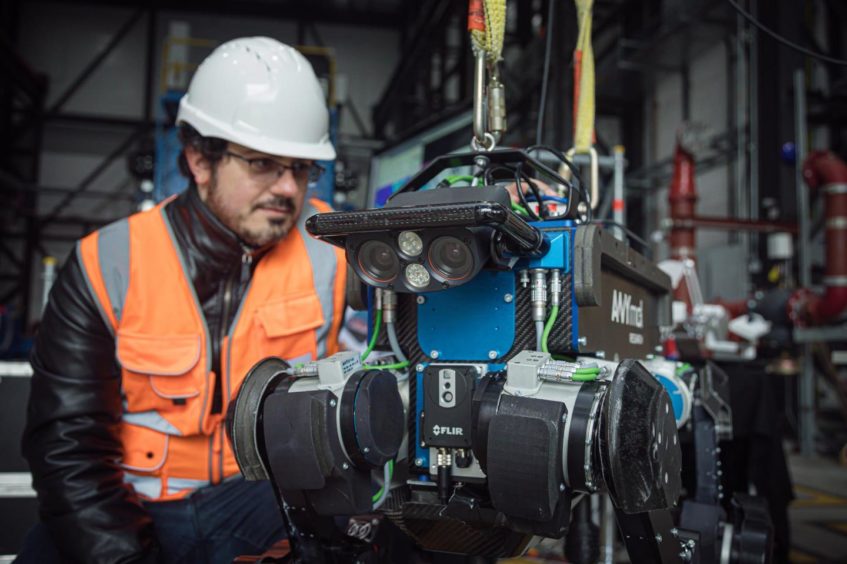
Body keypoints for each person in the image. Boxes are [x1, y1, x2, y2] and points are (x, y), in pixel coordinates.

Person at [18, 37, 346, 564]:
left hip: (261, 502)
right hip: (130, 507)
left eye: (303, 168)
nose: (288, 188)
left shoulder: (333, 249)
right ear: (199, 159)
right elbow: (68, 448)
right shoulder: (109, 262)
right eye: (263, 163)